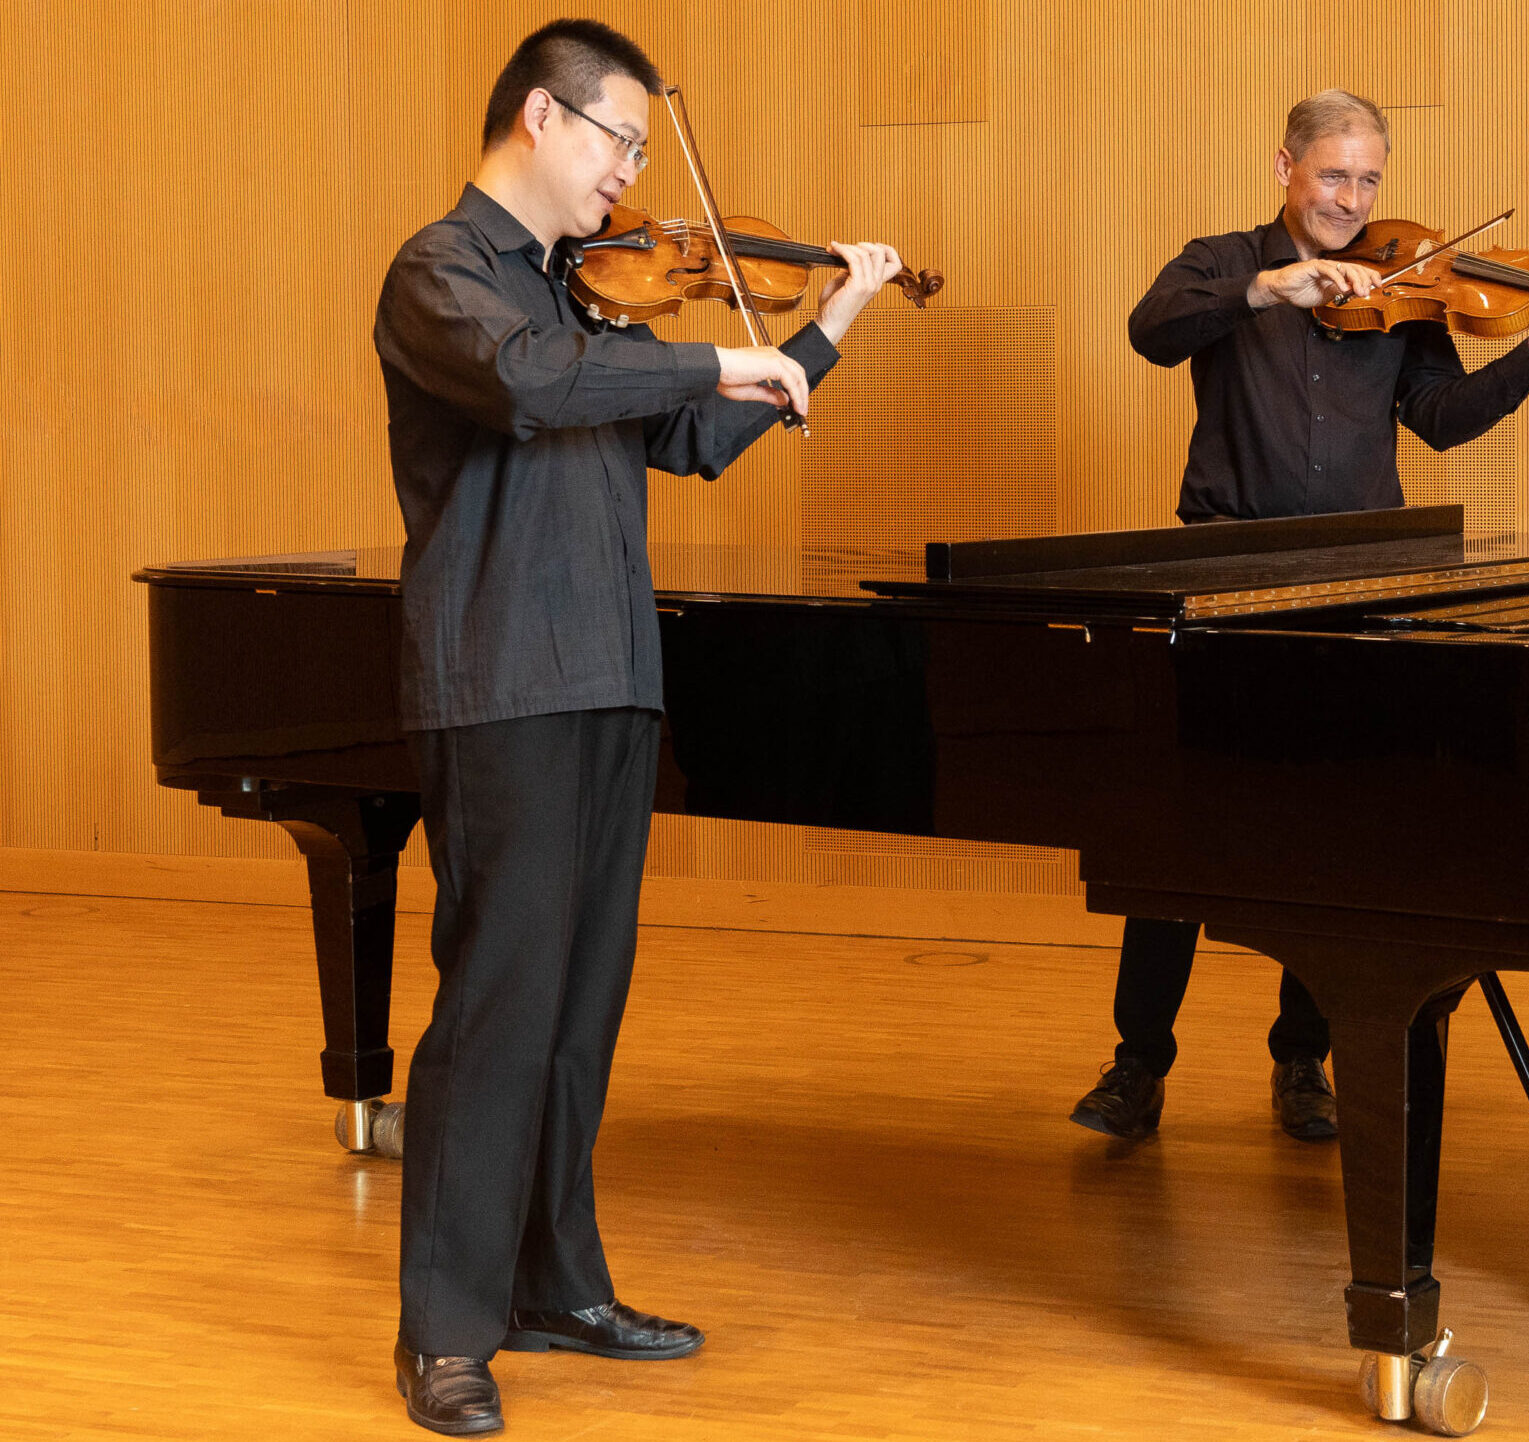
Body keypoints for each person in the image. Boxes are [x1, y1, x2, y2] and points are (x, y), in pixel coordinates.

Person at [372, 19, 905, 1435]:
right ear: (543, 120)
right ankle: (445, 1328)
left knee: (578, 1009)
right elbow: (538, 390)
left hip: (610, 675)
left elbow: (688, 438)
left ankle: (558, 1283)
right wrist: (711, 360)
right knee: (495, 1009)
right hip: (501, 681)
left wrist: (820, 333)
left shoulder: (590, 299)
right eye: (620, 141)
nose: (629, 177)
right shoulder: (443, 273)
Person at [1071, 89, 1529, 1142]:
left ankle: (1302, 1061)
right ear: (1284, 165)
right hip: (1226, 578)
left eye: (1368, 179)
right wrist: (1263, 289)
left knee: (1327, 831)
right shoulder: (1221, 260)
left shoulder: (1405, 282)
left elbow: (1440, 419)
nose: (1350, 199)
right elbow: (1152, 332)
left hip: (1361, 586)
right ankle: (1136, 1063)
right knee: (1174, 825)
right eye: (1332, 174)